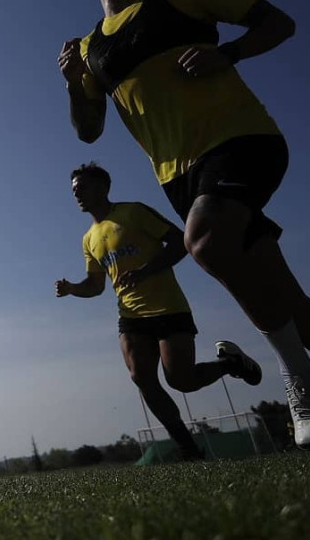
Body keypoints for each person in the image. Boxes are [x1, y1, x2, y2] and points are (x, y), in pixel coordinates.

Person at [59, 0, 310, 450]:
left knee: (206, 242)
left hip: (240, 139)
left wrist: (231, 53)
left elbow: (277, 23)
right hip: (178, 178)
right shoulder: (89, 47)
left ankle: (304, 381)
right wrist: (71, 82)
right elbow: (88, 130)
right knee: (284, 296)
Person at [55, 162, 263, 460]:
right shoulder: (88, 239)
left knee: (181, 380)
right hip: (130, 317)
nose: (77, 194)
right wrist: (73, 288)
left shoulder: (133, 213)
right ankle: (188, 448)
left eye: (82, 187)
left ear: (103, 187)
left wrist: (144, 271)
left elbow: (181, 242)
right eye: (74, 189)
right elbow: (96, 285)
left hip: (168, 308)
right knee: (141, 377)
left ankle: (230, 364)